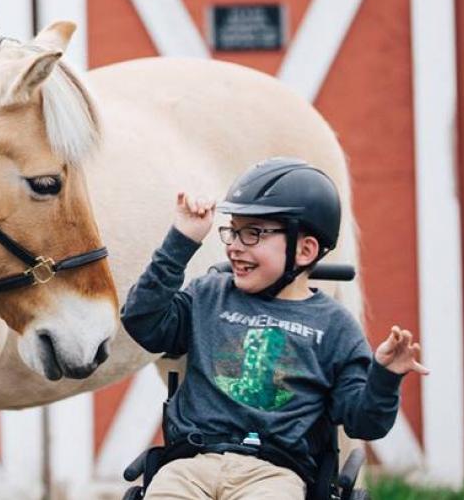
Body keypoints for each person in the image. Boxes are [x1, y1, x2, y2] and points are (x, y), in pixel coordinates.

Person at [121, 157, 429, 499]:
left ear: (305, 249)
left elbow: (364, 423)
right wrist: (181, 241)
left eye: (252, 233)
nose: (234, 246)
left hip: (273, 473)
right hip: (190, 463)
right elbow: (141, 320)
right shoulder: (208, 295)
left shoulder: (335, 326)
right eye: (233, 231)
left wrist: (385, 376)